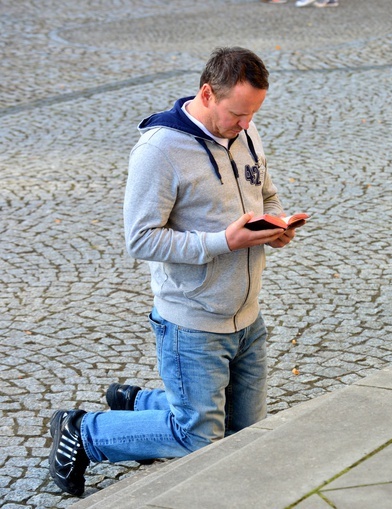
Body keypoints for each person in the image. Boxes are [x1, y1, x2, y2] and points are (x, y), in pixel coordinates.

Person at [48, 47, 299, 497]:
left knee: (246, 433)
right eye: (237, 114)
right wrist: (225, 241)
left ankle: (139, 402)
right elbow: (140, 240)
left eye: (253, 115)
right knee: (199, 437)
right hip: (192, 321)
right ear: (207, 93)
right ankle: (85, 432)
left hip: (247, 316)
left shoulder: (244, 128)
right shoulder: (159, 151)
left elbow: (268, 193)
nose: (245, 126)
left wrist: (275, 227)